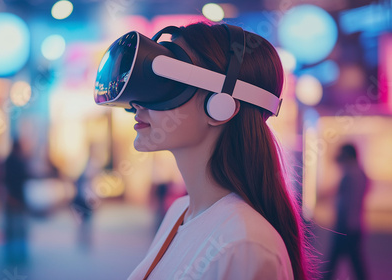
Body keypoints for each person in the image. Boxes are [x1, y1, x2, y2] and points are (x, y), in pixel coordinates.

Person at [94, 22, 316, 279]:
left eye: (164, 84)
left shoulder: (244, 245)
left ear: (220, 106)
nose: (137, 104)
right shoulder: (180, 212)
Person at [323, 143, 368, 280]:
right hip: (353, 225)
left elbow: (346, 202)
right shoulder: (359, 173)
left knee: (334, 261)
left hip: (347, 226)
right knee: (353, 261)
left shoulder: (351, 174)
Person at [3, 139, 30, 265]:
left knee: (11, 227)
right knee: (19, 227)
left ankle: (10, 252)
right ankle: (20, 253)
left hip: (10, 198)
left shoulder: (8, 161)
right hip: (18, 198)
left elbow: (3, 180)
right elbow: (24, 178)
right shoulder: (19, 162)